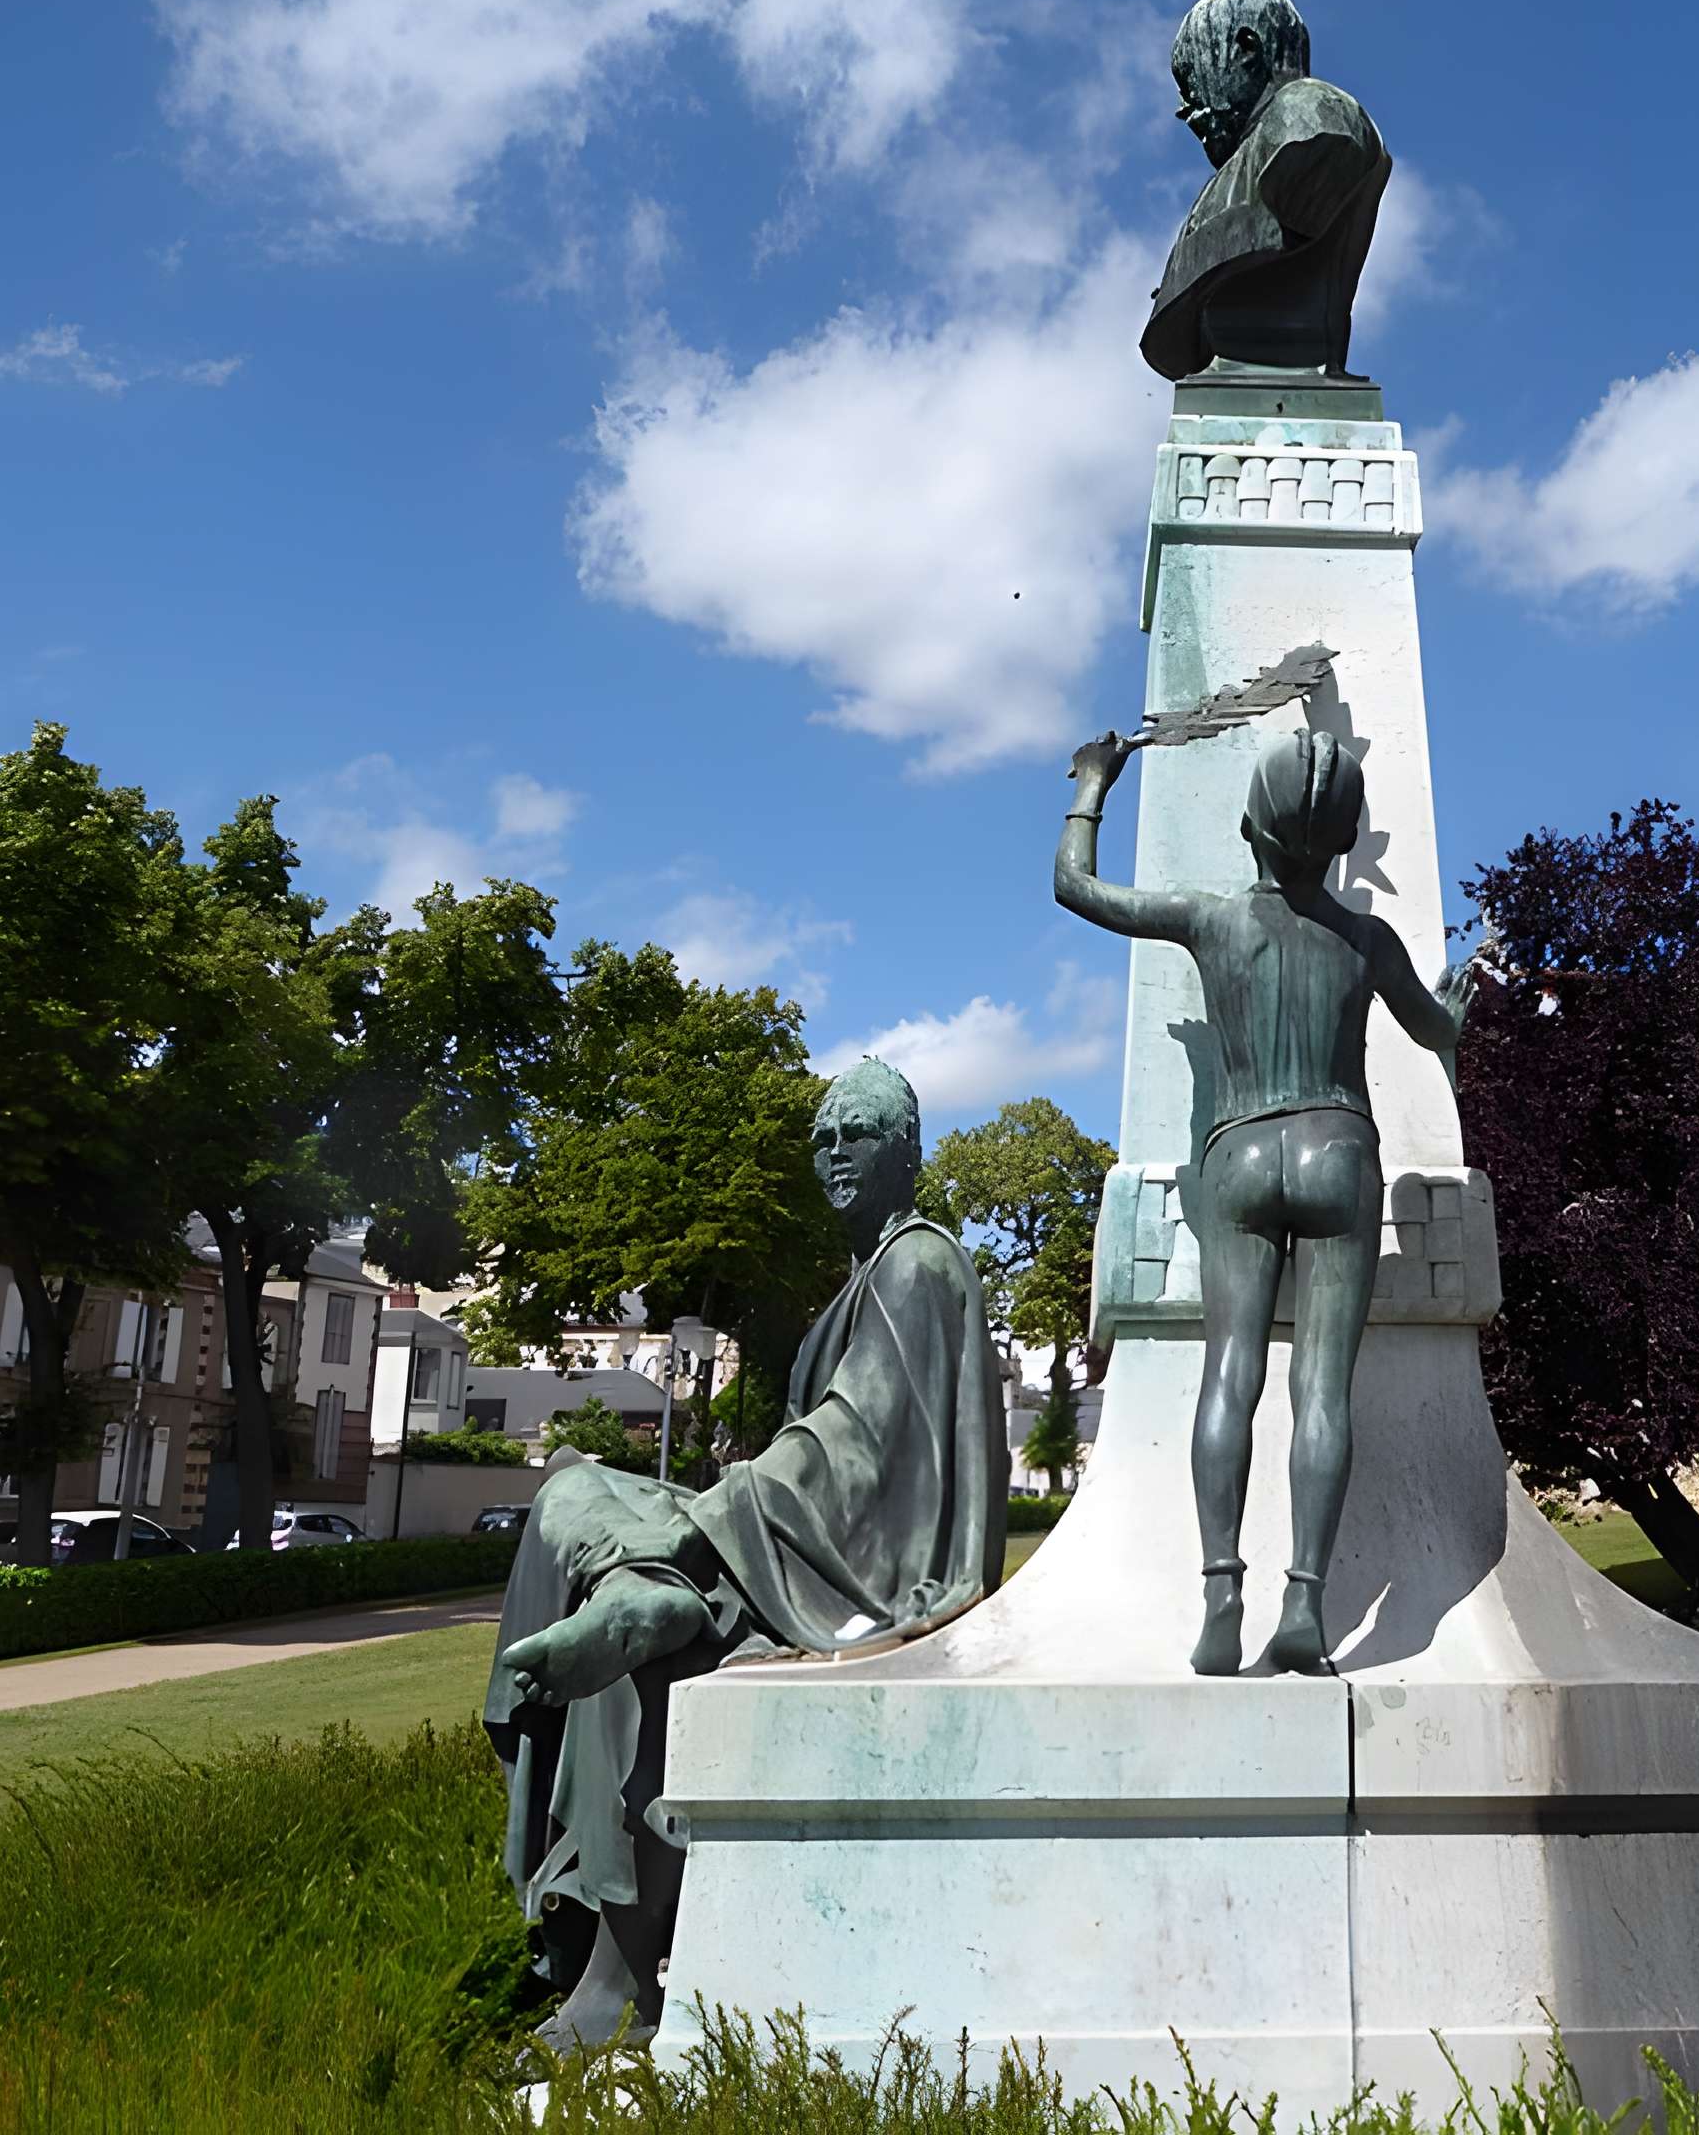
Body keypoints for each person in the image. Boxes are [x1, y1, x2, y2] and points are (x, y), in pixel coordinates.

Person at [482, 1057, 1006, 2049]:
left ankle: (614, 1981)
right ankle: (648, 1591)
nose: (837, 1149)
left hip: (851, 1575)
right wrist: (717, 1517)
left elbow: (853, 1448)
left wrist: (710, 1518)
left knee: (641, 1650)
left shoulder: (919, 1262)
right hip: (794, 1544)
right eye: (823, 1136)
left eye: (859, 1132)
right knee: (566, 1484)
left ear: (906, 1152)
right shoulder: (865, 1276)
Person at [1055, 724, 1472, 1674]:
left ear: (1252, 829)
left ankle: (1220, 1593)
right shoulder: (1367, 939)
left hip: (1238, 1154)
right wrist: (1460, 1006)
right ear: (1340, 842)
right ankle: (1307, 1608)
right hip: (1338, 1148)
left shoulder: (1211, 918)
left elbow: (1073, 887)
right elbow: (1436, 1028)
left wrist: (1092, 784)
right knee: (1321, 1389)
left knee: (1228, 1377)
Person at [1142, 0, 1390, 383]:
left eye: (1190, 79)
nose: (1184, 107)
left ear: (1247, 49)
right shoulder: (1244, 158)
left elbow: (1293, 213)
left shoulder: (1319, 120)